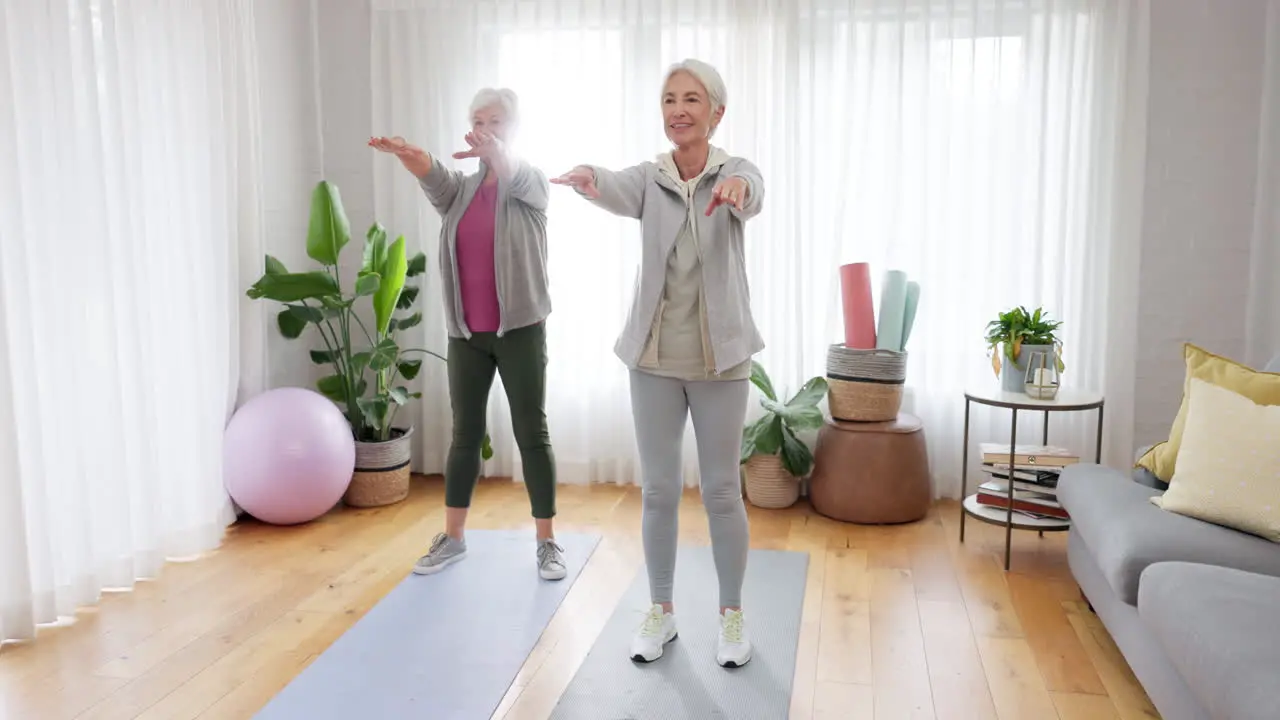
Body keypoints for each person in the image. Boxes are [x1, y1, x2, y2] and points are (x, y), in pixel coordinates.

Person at [552, 59, 765, 668]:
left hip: (720, 361)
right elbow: (616, 184)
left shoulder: (736, 171)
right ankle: (661, 612)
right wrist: (590, 175)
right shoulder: (651, 178)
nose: (678, 109)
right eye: (670, 98)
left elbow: (752, 192)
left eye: (692, 99)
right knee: (659, 491)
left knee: (723, 490)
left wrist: (736, 192)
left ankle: (731, 617)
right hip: (652, 360)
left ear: (715, 112)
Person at [368, 88, 565, 581]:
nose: (485, 127)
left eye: (496, 120)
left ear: (513, 128)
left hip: (519, 331)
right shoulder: (461, 191)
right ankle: (453, 538)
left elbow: (521, 175)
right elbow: (435, 177)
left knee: (531, 432)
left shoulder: (530, 184)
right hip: (466, 335)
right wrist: (413, 156)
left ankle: (547, 543)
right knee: (464, 435)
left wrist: (500, 153)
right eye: (478, 119)